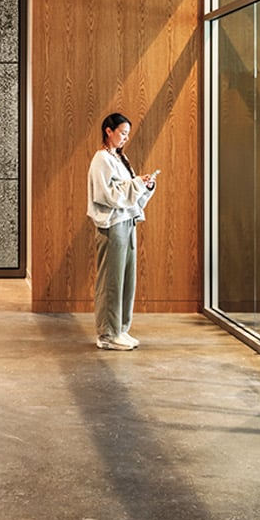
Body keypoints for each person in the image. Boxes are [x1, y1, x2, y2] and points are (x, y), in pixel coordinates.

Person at [87, 112, 158, 351]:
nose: (125, 138)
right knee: (111, 281)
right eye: (122, 133)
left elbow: (129, 193)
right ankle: (107, 334)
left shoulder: (119, 158)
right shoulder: (101, 159)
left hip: (127, 222)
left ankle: (120, 329)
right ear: (109, 131)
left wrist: (144, 185)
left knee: (127, 279)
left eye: (128, 134)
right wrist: (136, 184)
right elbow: (106, 194)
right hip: (112, 225)